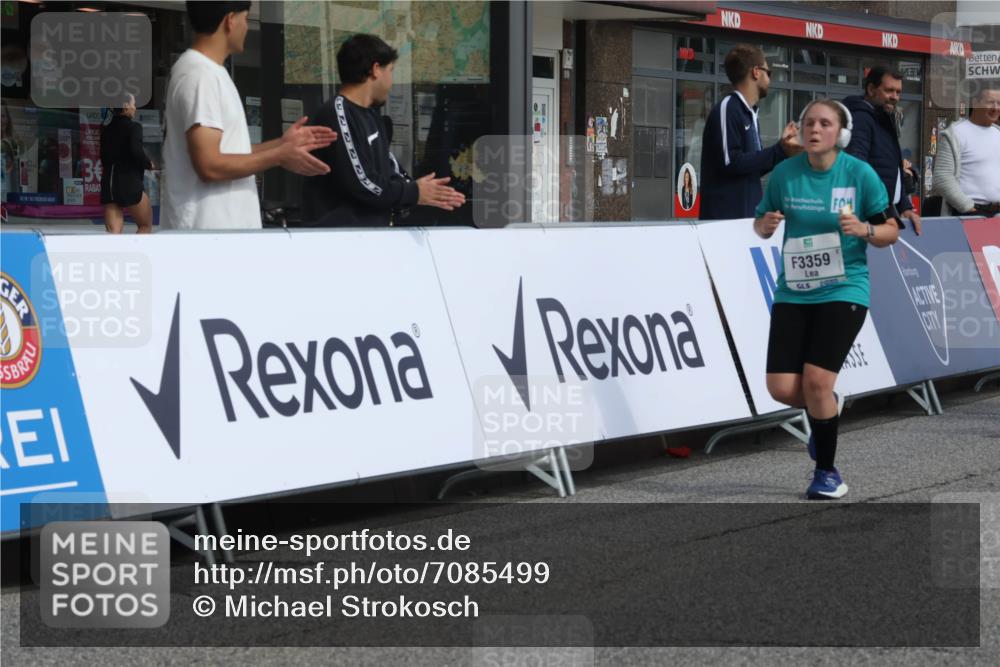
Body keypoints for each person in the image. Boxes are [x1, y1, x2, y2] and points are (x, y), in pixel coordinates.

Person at [753, 99, 901, 500]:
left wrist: (865, 230)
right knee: (782, 389)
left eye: (824, 123)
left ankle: (826, 473)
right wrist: (764, 225)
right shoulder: (785, 174)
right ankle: (825, 413)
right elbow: (761, 222)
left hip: (844, 288)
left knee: (817, 380)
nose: (814, 129)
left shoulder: (859, 174)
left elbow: (892, 231)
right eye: (808, 123)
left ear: (842, 133)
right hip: (793, 291)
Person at [162, 1, 337, 230]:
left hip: (219, 237)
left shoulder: (210, 72)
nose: (246, 26)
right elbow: (209, 165)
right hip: (207, 238)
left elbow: (226, 155)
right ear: (230, 21)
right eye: (245, 18)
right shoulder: (200, 76)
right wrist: (279, 156)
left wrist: (281, 145)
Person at [303, 34, 465, 226]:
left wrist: (421, 191)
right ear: (376, 69)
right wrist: (413, 192)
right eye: (391, 70)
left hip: (372, 237)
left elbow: (388, 171)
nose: (392, 81)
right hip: (341, 242)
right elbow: (363, 182)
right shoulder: (338, 114)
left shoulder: (372, 115)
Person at [699, 44, 801, 220]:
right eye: (768, 73)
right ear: (756, 72)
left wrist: (783, 151)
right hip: (725, 223)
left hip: (746, 220)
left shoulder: (750, 113)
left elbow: (751, 168)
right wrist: (779, 150)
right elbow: (731, 162)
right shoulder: (728, 108)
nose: (770, 80)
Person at [843, 66, 923, 234]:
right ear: (871, 89)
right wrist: (881, 213)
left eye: (898, 92)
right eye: (889, 90)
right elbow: (856, 169)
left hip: (881, 214)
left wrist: (904, 206)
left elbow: (893, 168)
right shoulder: (861, 119)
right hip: (870, 217)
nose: (895, 97)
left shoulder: (882, 118)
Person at [932, 85, 1000, 217]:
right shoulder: (954, 134)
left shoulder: (998, 133)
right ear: (975, 103)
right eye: (991, 102)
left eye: (999, 103)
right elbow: (942, 178)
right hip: (969, 215)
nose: (996, 108)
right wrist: (969, 208)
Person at [100, 94, 154, 234]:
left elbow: (104, 156)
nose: (135, 108)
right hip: (129, 182)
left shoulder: (106, 130)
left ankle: (114, 256)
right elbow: (136, 151)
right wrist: (149, 164)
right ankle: (136, 254)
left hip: (109, 183)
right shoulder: (134, 127)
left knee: (114, 234)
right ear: (125, 106)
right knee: (145, 225)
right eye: (133, 104)